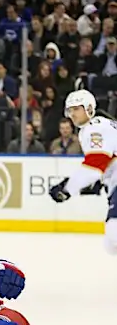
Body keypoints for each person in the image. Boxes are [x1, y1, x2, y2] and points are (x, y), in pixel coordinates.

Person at [49, 90, 117, 254]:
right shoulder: (99, 125)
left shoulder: (96, 128)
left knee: (114, 232)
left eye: (76, 109)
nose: (72, 114)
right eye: (70, 110)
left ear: (89, 108)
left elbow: (96, 163)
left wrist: (67, 189)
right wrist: (98, 182)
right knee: (111, 243)